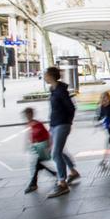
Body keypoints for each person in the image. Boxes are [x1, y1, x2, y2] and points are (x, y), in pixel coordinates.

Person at [44, 67, 80, 198]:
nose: (44, 76)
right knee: (59, 150)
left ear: (51, 76)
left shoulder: (60, 91)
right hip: (55, 124)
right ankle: (73, 171)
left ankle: (62, 183)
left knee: (55, 153)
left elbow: (71, 108)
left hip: (62, 125)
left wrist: (67, 122)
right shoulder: (53, 90)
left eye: (45, 74)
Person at [22, 107, 56, 194]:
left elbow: (46, 135)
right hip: (36, 148)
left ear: (31, 114)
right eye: (26, 115)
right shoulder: (29, 124)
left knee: (37, 165)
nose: (27, 116)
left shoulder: (38, 124)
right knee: (38, 165)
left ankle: (33, 184)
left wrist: (48, 147)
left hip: (42, 147)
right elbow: (30, 137)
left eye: (28, 114)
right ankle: (55, 174)